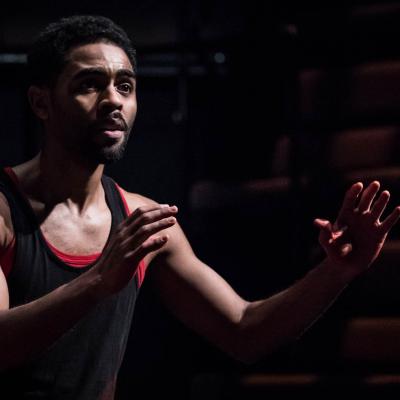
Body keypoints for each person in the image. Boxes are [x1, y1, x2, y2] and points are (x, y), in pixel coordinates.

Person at [0, 14, 399, 400]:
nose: (112, 100)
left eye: (125, 86)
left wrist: (337, 271)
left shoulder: (146, 223)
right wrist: (98, 281)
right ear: (41, 102)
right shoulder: (4, 210)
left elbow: (244, 331)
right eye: (89, 84)